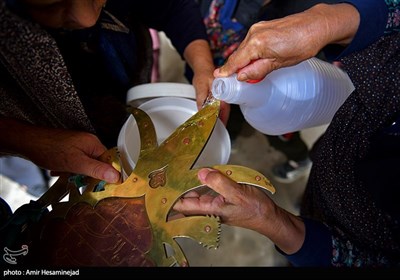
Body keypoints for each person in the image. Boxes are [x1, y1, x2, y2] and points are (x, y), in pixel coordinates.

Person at [174, 0, 400, 267]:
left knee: (288, 137)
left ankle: (298, 159)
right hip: (335, 155)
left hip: (347, 222)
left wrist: (274, 222)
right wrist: (328, 22)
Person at [0, 0, 216, 187]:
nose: (87, 19)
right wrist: (32, 142)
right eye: (53, 6)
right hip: (58, 134)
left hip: (129, 83)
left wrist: (203, 67)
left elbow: (172, 8)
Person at [196, 0, 342, 184]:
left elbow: (318, 53)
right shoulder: (213, 7)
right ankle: (231, 134)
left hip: (279, 91)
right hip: (226, 73)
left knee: (281, 135)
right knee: (230, 113)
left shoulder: (296, 11)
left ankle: (299, 157)